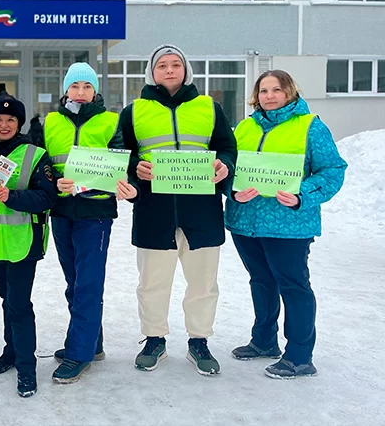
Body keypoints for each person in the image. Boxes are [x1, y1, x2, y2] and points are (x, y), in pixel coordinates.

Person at [116, 44, 237, 376]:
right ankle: (154, 338)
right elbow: (119, 154)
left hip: (202, 209)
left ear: (186, 70)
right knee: (152, 281)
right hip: (154, 210)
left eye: (176, 64)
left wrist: (224, 166)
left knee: (203, 283)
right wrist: (134, 169)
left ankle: (199, 341)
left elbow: (228, 147)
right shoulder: (134, 111)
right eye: (162, 66)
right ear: (151, 73)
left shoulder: (209, 107)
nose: (169, 70)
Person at [226, 70, 347, 379]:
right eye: (263, 90)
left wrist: (300, 195)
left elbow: (332, 170)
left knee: (294, 287)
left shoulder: (311, 127)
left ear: (290, 91)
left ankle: (300, 356)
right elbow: (228, 169)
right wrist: (233, 192)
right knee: (261, 281)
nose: (269, 95)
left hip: (289, 224)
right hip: (246, 221)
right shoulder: (245, 127)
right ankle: (264, 341)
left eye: (276, 89)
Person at [44, 62, 138, 384]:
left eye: (86, 87)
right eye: (75, 87)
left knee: (88, 284)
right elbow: (44, 165)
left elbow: (120, 162)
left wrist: (114, 183)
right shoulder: (51, 122)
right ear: (66, 90)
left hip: (95, 213)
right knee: (74, 281)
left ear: (95, 91)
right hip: (61, 212)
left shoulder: (111, 122)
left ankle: (79, 352)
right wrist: (54, 182)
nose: (81, 93)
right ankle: (91, 342)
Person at [0, 91, 58, 397]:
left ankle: (26, 367)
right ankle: (10, 352)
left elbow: (48, 197)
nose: (3, 124)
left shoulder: (34, 155)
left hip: (23, 242)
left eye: (10, 120)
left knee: (19, 305)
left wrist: (12, 197)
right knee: (7, 301)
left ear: (18, 123)